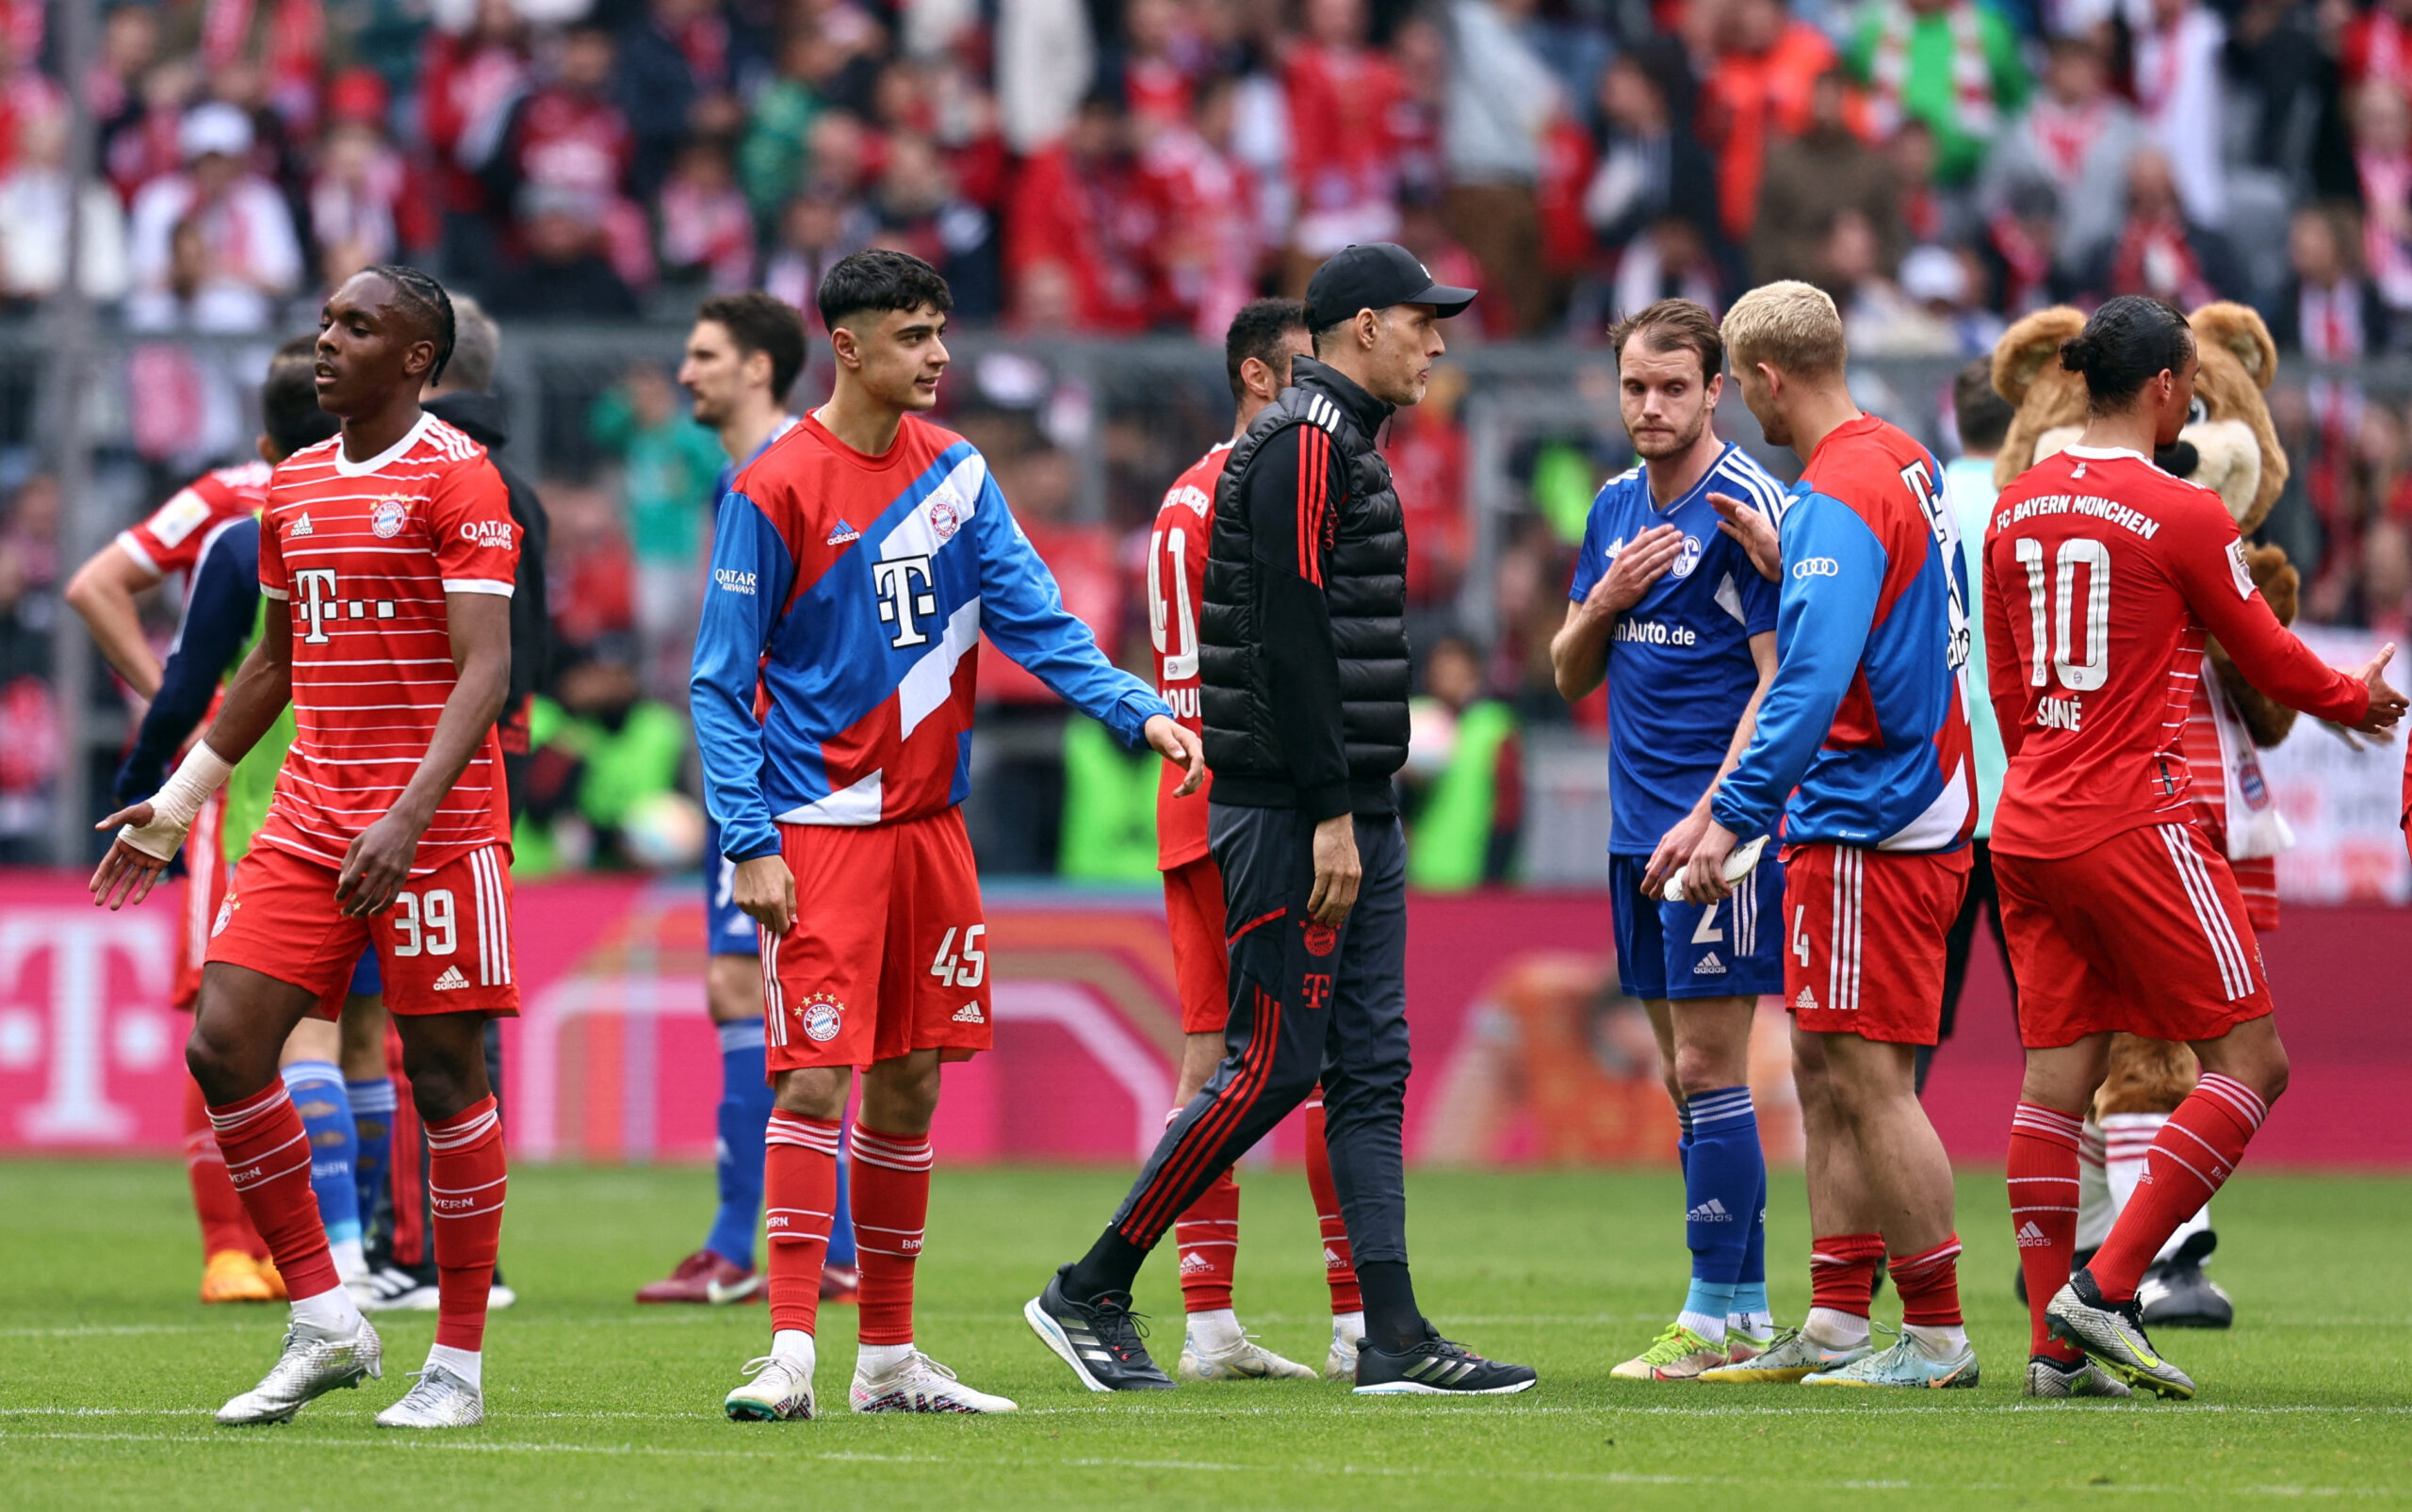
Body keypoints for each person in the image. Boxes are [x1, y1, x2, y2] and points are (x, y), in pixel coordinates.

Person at [696, 250, 1201, 1422]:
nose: (938, 355)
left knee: (913, 1080)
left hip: (931, 829)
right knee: (817, 1079)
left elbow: (1037, 619)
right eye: (914, 336)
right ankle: (786, 1351)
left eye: (941, 332)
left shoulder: (960, 474)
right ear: (851, 348)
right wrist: (748, 838)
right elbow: (720, 686)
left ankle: (886, 1358)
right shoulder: (773, 488)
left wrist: (1136, 710)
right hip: (817, 831)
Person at [1026, 242, 1537, 1398]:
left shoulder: (1332, 442)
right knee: (1269, 1065)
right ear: (1360, 327)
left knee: (1368, 1069)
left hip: (1348, 800)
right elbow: (1297, 640)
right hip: (1297, 811)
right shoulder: (1305, 444)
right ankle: (1090, 1285)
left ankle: (1393, 1332)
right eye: (1421, 322)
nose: (1439, 342)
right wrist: (1328, 815)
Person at [90, 265, 521, 1431]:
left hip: (436, 825)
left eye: (357, 327)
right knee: (227, 1044)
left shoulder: (460, 481)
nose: (325, 341)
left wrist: (410, 813)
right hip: (310, 816)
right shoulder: (291, 487)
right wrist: (181, 797)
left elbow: (487, 666)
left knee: (442, 1077)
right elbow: (272, 663)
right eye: (327, 321)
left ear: (416, 360)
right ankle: (327, 1320)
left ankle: (458, 1368)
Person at [1984, 296, 2404, 1400]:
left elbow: (2009, 685)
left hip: (2026, 820)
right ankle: (2109, 1289)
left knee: (2054, 1085)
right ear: (2169, 387)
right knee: (2252, 1062)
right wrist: (2351, 703)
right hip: (2134, 820)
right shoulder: (2181, 514)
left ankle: (2049, 1349)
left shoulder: (2013, 505)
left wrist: (2048, 774)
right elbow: (2263, 653)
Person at [1666, 280, 1981, 1390]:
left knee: (1867, 1076)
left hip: (1867, 816)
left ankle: (1937, 1338)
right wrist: (1788, 552)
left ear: (1762, 378)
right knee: (1820, 1061)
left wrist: (1730, 819)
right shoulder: (1899, 455)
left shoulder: (1835, 495)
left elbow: (1806, 684)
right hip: (1920, 793)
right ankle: (1839, 1321)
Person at [1547, 298, 1786, 1381]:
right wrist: (1604, 598)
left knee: (1708, 1063)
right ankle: (1742, 1310)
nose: (1650, 406)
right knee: (1684, 1082)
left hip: (1714, 836)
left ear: (1715, 390)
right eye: (1635, 386)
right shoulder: (1610, 510)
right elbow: (1567, 672)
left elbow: (1783, 682)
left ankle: (1701, 1317)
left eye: (1672, 388)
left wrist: (1717, 813)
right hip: (1633, 834)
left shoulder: (1748, 510)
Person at [1143, 297, 1363, 1382]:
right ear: (1258, 379)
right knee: (1315, 1059)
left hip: (1186, 793)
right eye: (1303, 375)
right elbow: (1285, 641)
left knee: (1209, 1057)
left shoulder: (1181, 493)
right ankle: (1355, 1314)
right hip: (1255, 792)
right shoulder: (1261, 483)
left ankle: (1205, 1318)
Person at [639, 291, 860, 1308]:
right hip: (752, 775)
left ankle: (748, 1243)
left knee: (767, 999)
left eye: (704, 353)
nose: (687, 372)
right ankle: (822, 1247)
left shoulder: (786, 472)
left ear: (760, 368)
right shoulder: (740, 473)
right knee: (752, 997)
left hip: (790, 781)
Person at [353, 293, 545, 1316]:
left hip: (433, 785)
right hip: (464, 774)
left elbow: (492, 661)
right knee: (445, 1030)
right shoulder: (515, 488)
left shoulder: (451, 482)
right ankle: (425, 1252)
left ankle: (425, 1257)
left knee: (430, 1036)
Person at [1924, 358, 2016, 1096]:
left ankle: (1886, 1207)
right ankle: (2084, 1211)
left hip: (1938, 801)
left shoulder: (1925, 505)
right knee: (2057, 1030)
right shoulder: (2037, 504)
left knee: (1912, 1033)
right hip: (2030, 801)